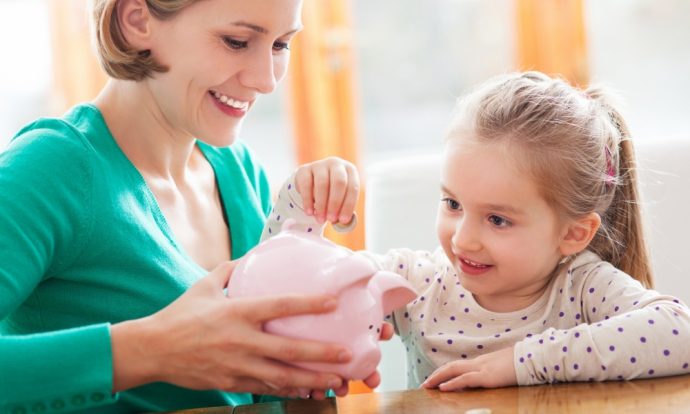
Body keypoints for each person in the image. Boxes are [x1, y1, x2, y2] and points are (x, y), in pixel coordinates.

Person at [0, 0, 383, 412]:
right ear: (137, 20)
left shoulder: (239, 172)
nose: (266, 81)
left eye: (280, 45)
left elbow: (263, 391)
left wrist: (324, 336)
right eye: (236, 41)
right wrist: (151, 350)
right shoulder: (51, 168)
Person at [265, 71, 690, 392]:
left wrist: (523, 363)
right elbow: (274, 302)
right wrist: (298, 205)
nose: (462, 240)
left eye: (497, 220)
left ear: (574, 235)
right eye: (453, 204)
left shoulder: (582, 287)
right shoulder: (418, 282)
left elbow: (680, 332)